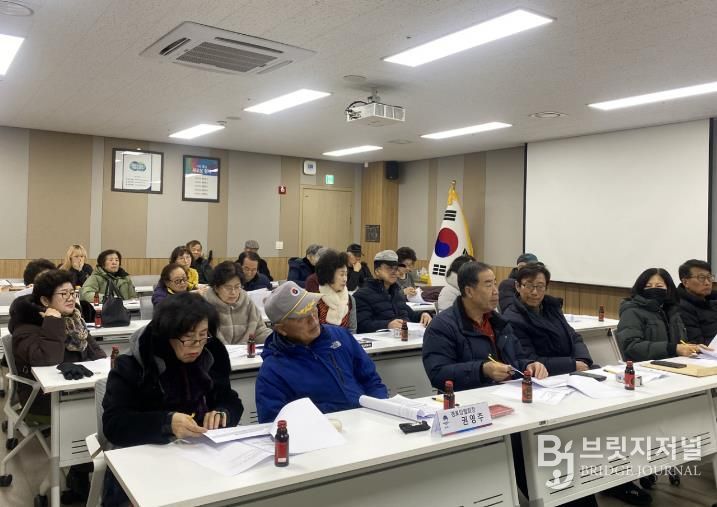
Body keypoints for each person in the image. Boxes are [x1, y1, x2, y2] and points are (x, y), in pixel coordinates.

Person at [102, 292, 243, 505]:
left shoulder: (211, 354)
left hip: (202, 457)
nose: (197, 345)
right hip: (145, 460)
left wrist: (224, 413)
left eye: (203, 335)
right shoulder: (134, 364)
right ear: (167, 334)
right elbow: (114, 424)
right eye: (188, 338)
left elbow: (231, 399)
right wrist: (166, 423)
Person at [9, 269, 106, 504]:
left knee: (104, 416)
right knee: (87, 422)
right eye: (63, 294)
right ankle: (78, 476)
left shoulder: (76, 322)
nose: (71, 298)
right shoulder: (25, 329)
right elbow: (47, 359)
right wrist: (53, 321)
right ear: (45, 301)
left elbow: (98, 356)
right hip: (42, 400)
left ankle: (81, 475)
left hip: (80, 394)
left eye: (73, 293)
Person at [255, 282, 387, 423]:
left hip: (365, 422)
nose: (313, 320)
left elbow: (371, 380)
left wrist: (380, 412)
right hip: (321, 432)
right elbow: (274, 423)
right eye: (301, 317)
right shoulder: (273, 371)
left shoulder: (340, 336)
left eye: (313, 309)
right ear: (281, 329)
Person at [423, 261, 548, 391]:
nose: (496, 291)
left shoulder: (499, 323)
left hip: (505, 394)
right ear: (469, 291)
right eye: (488, 285)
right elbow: (438, 374)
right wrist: (482, 370)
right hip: (468, 399)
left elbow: (516, 360)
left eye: (495, 284)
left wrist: (529, 365)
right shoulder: (442, 326)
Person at [501, 263, 593, 375]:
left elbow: (574, 337)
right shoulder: (512, 319)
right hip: (546, 376)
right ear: (518, 286)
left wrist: (582, 360)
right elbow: (529, 359)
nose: (535, 292)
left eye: (540, 286)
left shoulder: (551, 307)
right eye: (529, 286)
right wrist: (572, 365)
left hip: (571, 371)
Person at [617, 268, 702, 362]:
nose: (653, 289)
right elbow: (631, 347)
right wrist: (673, 349)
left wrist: (692, 347)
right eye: (648, 286)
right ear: (640, 289)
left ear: (668, 289)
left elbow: (680, 342)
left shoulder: (673, 311)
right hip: (644, 366)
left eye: (659, 286)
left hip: (673, 363)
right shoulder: (632, 311)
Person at [354, 250, 432, 333]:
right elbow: (362, 326)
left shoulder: (396, 293)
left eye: (396, 268)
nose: (394, 272)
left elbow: (410, 314)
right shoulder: (362, 295)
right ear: (377, 271)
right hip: (383, 339)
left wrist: (423, 315)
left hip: (404, 337)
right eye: (389, 268)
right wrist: (387, 325)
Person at [203, 261, 272, 344]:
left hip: (244, 351)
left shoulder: (247, 302)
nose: (233, 292)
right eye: (228, 288)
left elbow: (260, 331)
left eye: (237, 287)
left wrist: (275, 339)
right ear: (216, 287)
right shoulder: (205, 306)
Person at [315, 249, 357, 333]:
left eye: (346, 274)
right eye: (341, 274)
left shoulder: (350, 300)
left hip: (345, 340)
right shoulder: (316, 299)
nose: (345, 279)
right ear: (329, 275)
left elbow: (352, 330)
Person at [677, 259, 717, 345]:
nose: (707, 283)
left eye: (709, 277)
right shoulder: (681, 307)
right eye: (701, 278)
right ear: (685, 282)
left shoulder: (712, 301)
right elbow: (697, 343)